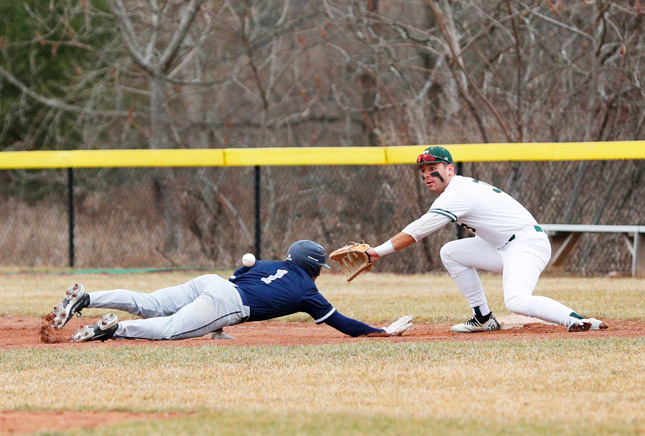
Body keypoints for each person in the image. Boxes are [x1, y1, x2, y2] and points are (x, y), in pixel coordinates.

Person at [367, 146, 608, 333]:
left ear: (450, 169)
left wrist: (378, 251)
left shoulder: (457, 193)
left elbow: (416, 231)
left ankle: (577, 320)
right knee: (450, 252)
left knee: (515, 300)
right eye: (423, 172)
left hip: (526, 244)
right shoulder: (455, 190)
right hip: (502, 245)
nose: (427, 175)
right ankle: (483, 318)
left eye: (434, 168)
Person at [49, 240, 413, 342]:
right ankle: (114, 329)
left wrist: (218, 328)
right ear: (314, 269)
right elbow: (344, 323)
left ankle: (86, 298)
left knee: (149, 303)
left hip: (213, 282)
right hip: (228, 301)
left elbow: (240, 274)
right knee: (169, 329)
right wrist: (378, 330)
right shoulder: (307, 292)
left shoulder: (273, 264)